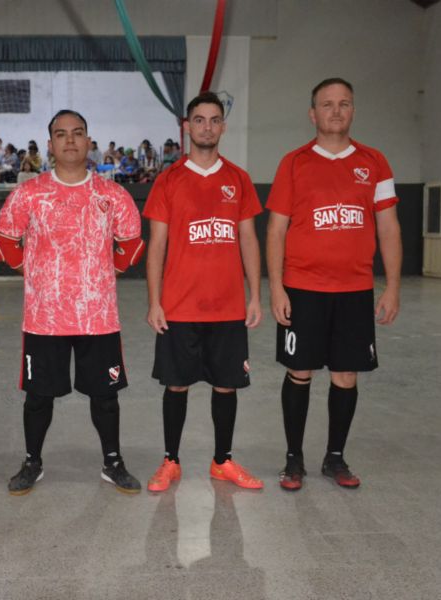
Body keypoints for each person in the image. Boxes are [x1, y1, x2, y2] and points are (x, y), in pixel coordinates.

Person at [0, 110, 145, 495]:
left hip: (98, 316)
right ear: (50, 144)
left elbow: (131, 243)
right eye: (61, 134)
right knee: (39, 396)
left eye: (78, 134)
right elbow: (4, 240)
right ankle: (32, 462)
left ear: (89, 141)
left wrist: (102, 274)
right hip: (45, 318)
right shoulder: (29, 193)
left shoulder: (112, 195)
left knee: (105, 397)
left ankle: (113, 462)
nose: (70, 141)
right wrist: (35, 271)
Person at [266, 77, 402, 491]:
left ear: (353, 111)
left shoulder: (375, 162)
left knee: (346, 375)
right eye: (327, 104)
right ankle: (293, 459)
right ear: (313, 114)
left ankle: (335, 457)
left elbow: (389, 227)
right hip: (303, 288)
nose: (336, 111)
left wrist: (393, 285)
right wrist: (276, 287)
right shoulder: (293, 162)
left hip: (354, 290)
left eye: (344, 104)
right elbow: (275, 230)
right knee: (299, 371)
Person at [143, 92, 264, 493]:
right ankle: (171, 461)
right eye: (200, 120)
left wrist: (255, 296)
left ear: (223, 128)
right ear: (187, 126)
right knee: (175, 385)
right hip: (179, 306)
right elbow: (156, 245)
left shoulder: (239, 179)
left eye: (214, 120)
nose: (207, 127)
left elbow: (248, 239)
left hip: (228, 307)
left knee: (225, 385)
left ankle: (222, 461)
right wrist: (154, 301)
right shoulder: (169, 180)